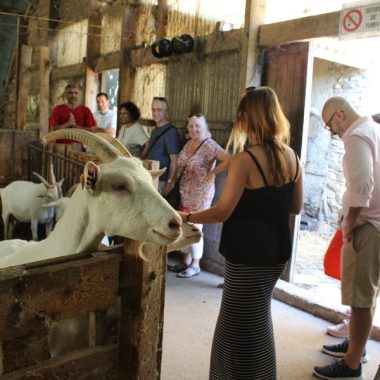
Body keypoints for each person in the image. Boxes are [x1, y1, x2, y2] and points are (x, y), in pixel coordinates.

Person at [178, 86, 303, 379]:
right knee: (258, 321)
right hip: (275, 255)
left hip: (247, 255)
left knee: (235, 329)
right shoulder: (293, 157)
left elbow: (222, 211)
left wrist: (186, 216)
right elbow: (295, 207)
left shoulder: (246, 160)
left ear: (247, 117)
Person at [314, 97, 380, 380]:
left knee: (359, 298)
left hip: (367, 226)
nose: (332, 132)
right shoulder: (371, 127)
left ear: (340, 114)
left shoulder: (355, 135)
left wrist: (350, 221)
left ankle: (352, 364)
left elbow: (363, 182)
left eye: (330, 125)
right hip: (374, 223)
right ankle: (356, 346)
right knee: (365, 294)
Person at [167, 114, 230, 278]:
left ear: (204, 127)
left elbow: (229, 160)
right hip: (184, 193)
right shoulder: (189, 143)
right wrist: (172, 181)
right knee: (185, 226)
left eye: (197, 126)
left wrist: (213, 172)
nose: (194, 129)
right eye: (191, 126)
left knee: (195, 227)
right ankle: (186, 261)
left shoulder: (209, 145)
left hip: (200, 194)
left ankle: (195, 265)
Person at [141, 97, 181, 194]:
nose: (155, 113)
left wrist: (170, 182)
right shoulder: (155, 130)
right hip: (151, 175)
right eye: (153, 110)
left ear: (166, 111)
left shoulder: (171, 132)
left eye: (159, 110)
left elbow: (174, 161)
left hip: (161, 179)